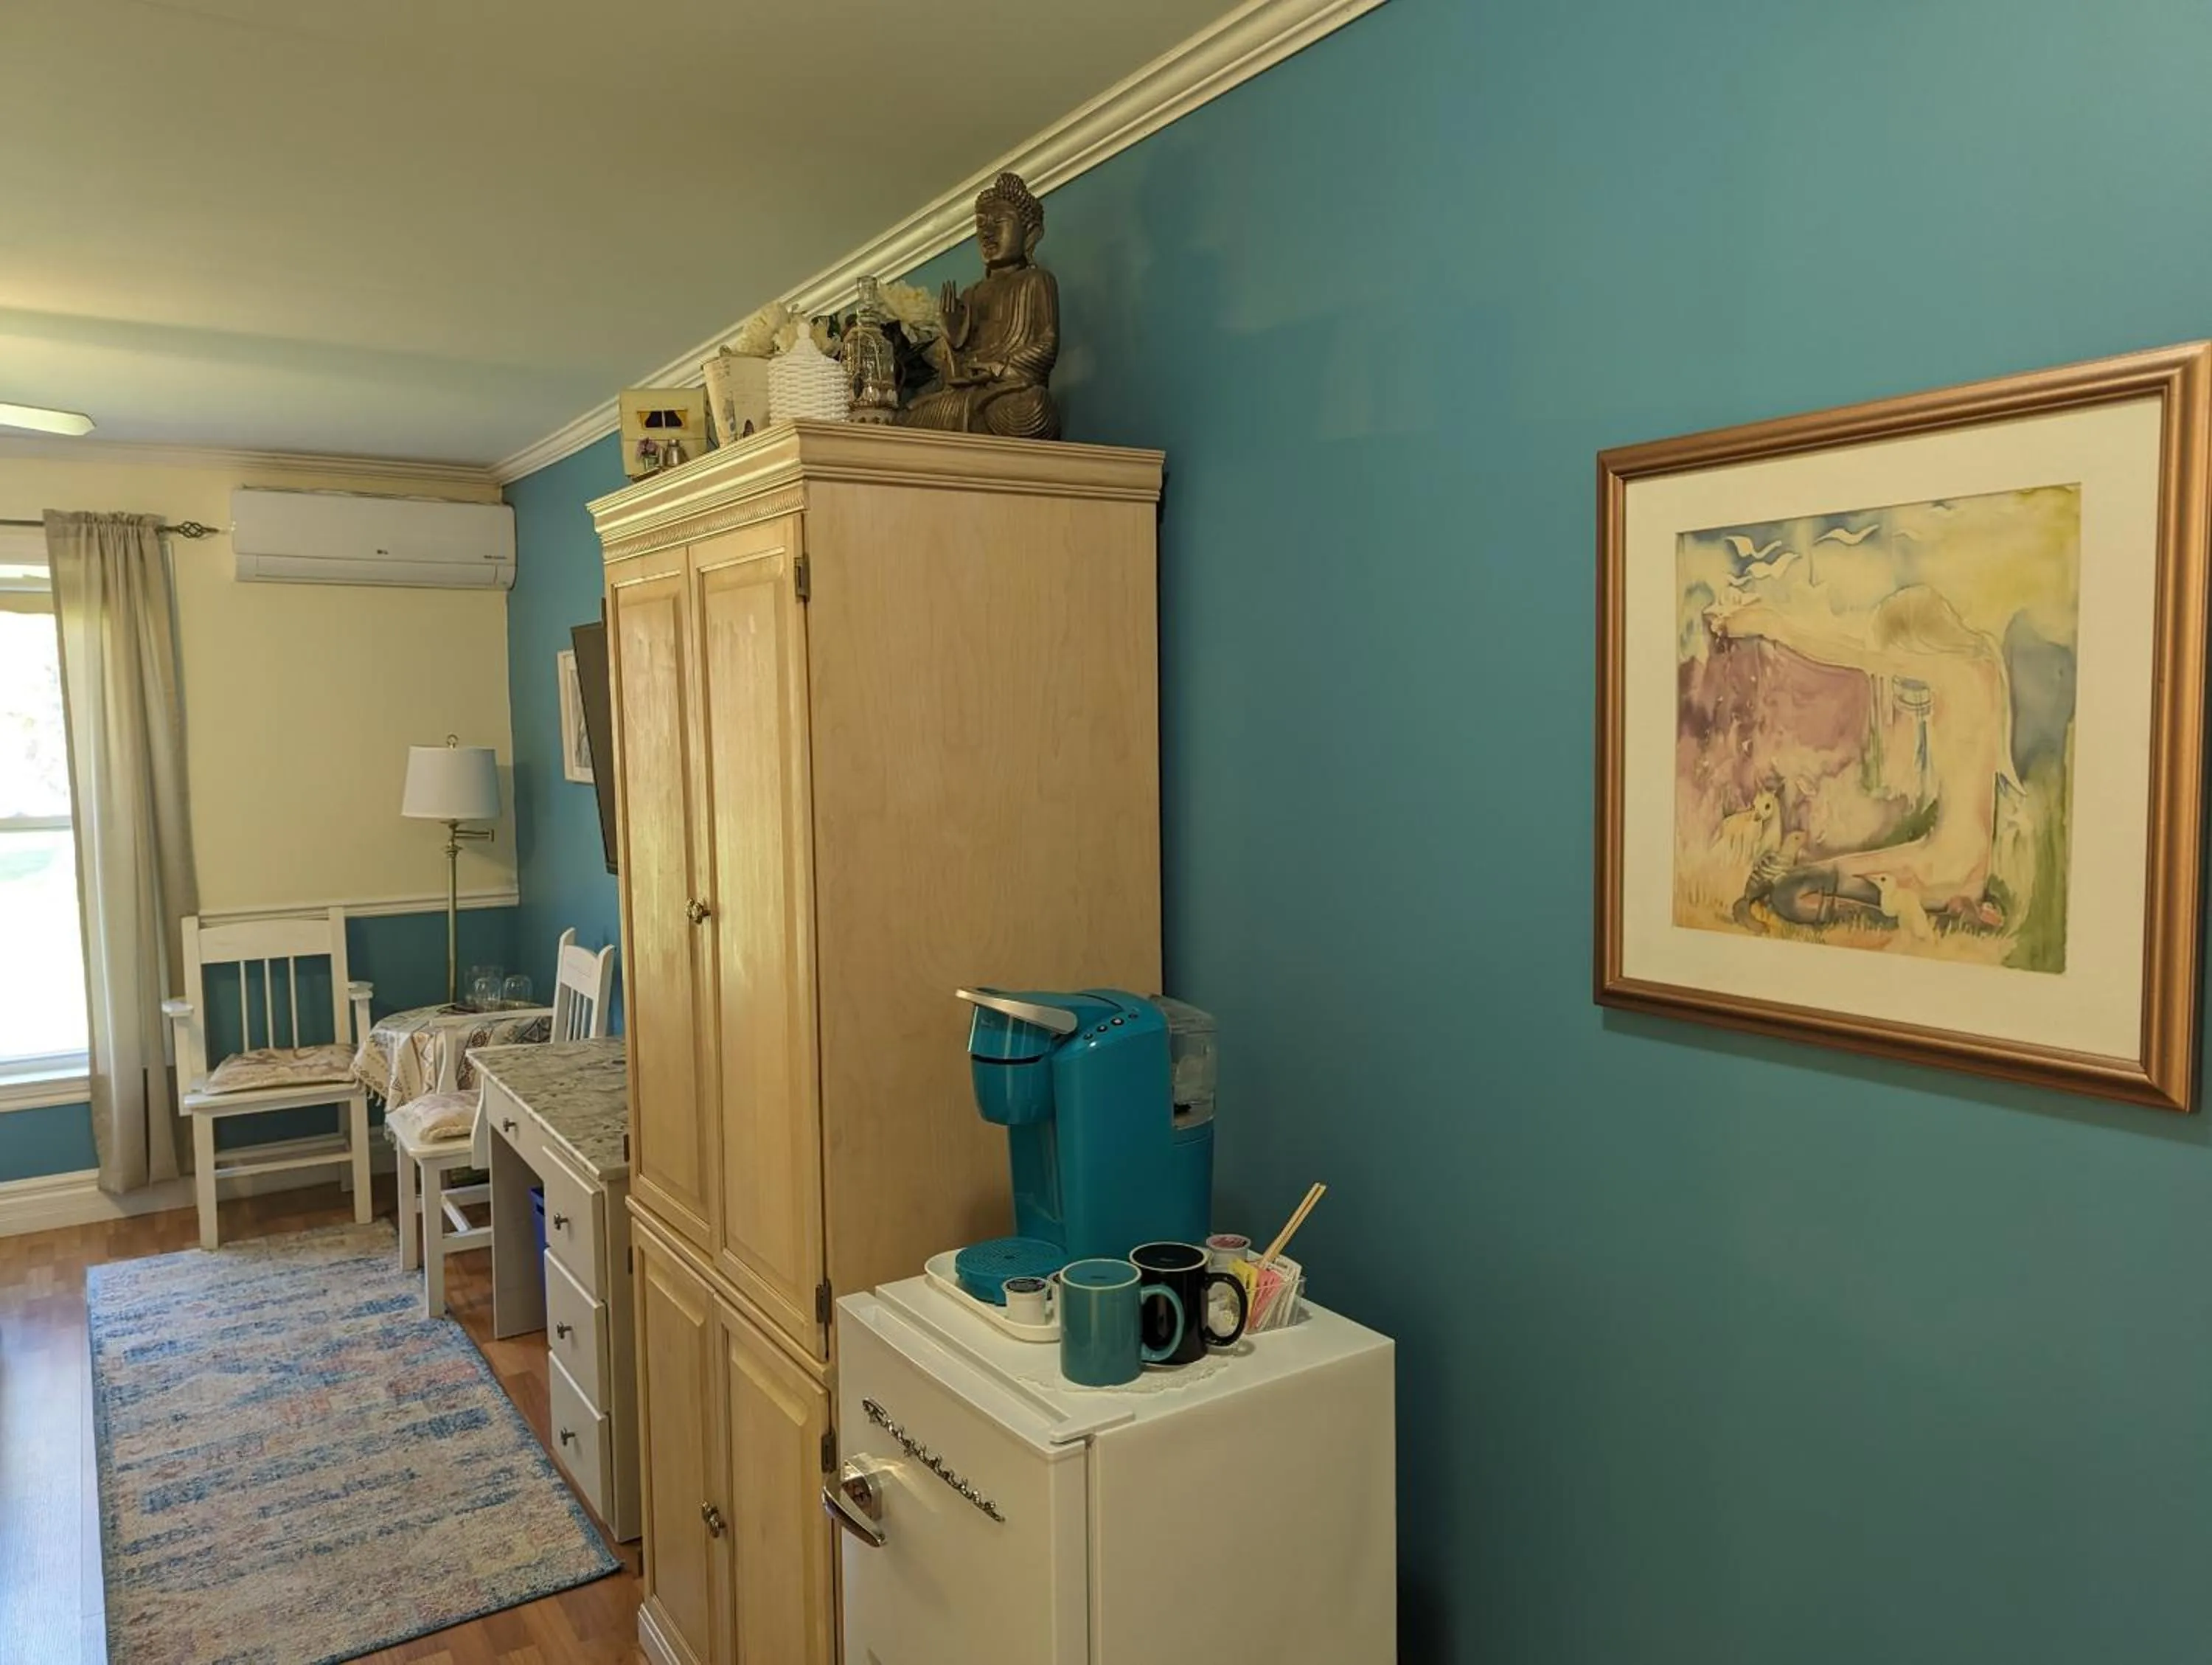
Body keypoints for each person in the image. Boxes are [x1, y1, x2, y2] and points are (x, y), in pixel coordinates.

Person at [1708, 583, 2014, 925]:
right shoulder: (1981, 670)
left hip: (1946, 873)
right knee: (1795, 880)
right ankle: (1945, 911)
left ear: (1919, 639)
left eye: (1901, 651)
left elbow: (1853, 653)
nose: (1900, 669)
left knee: (1791, 890)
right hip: (1945, 862)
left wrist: (1769, 624)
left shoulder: (1955, 673)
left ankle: (1925, 917)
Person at [901, 172, 1061, 439]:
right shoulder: (971, 294)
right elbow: (954, 376)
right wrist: (954, 343)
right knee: (906, 417)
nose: (987, 233)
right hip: (970, 394)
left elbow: (1047, 344)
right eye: (981, 224)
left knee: (1035, 407)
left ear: (1030, 235)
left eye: (999, 222)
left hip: (1009, 391)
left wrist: (998, 367)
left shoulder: (1037, 280)